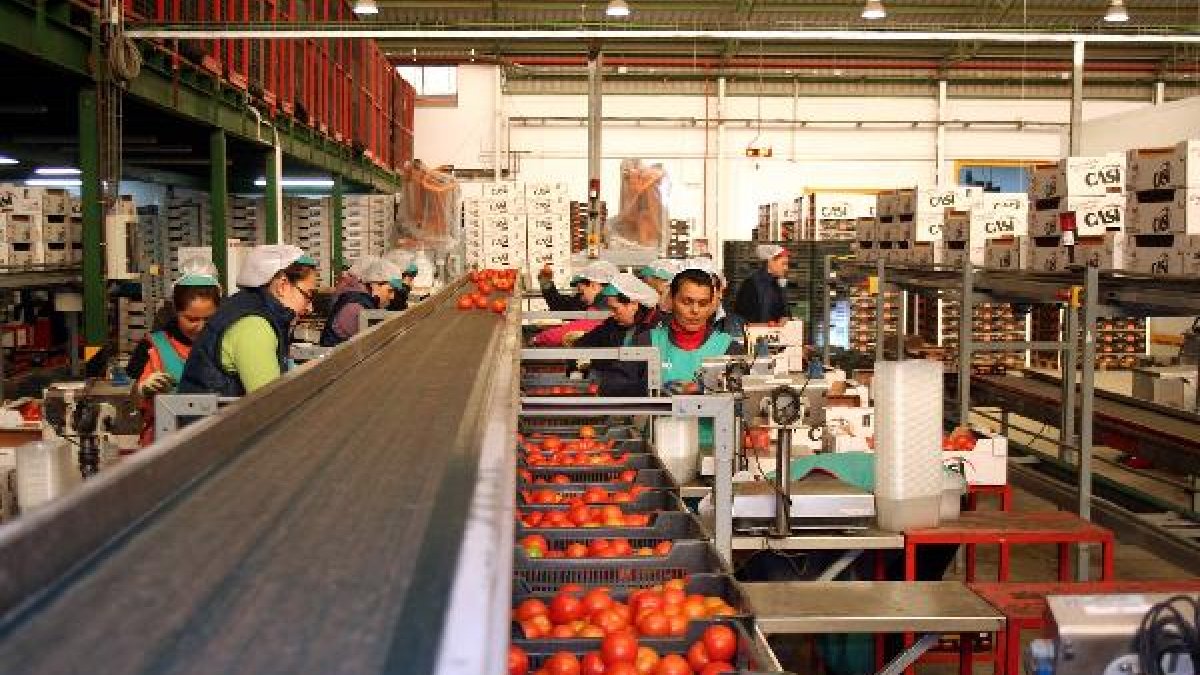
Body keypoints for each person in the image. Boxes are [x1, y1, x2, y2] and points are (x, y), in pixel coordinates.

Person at [178, 244, 318, 396]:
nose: (310, 307)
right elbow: (271, 403)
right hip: (211, 419)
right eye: (308, 295)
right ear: (282, 285)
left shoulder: (248, 307)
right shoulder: (254, 326)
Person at [131, 262, 222, 445]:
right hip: (165, 444)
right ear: (175, 311)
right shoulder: (152, 347)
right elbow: (131, 401)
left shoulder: (227, 344)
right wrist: (141, 391)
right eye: (192, 319)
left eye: (209, 318)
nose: (201, 327)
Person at [575, 273, 662, 396]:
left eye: (615, 309)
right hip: (614, 392)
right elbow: (583, 343)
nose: (613, 314)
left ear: (633, 305)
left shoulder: (657, 328)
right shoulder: (613, 324)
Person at [320, 256, 404, 346]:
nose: (392, 297)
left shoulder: (361, 299)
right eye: (390, 291)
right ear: (375, 284)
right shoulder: (356, 307)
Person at [733, 244, 791, 324]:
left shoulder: (779, 284)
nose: (786, 268)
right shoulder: (750, 284)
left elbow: (784, 311)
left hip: (775, 334)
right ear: (771, 261)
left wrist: (785, 317)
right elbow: (739, 316)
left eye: (787, 264)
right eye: (783, 264)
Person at [537, 260, 616, 311]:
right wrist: (546, 281)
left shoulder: (606, 308)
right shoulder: (588, 302)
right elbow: (560, 305)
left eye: (582, 291)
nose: (581, 296)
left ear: (594, 286)